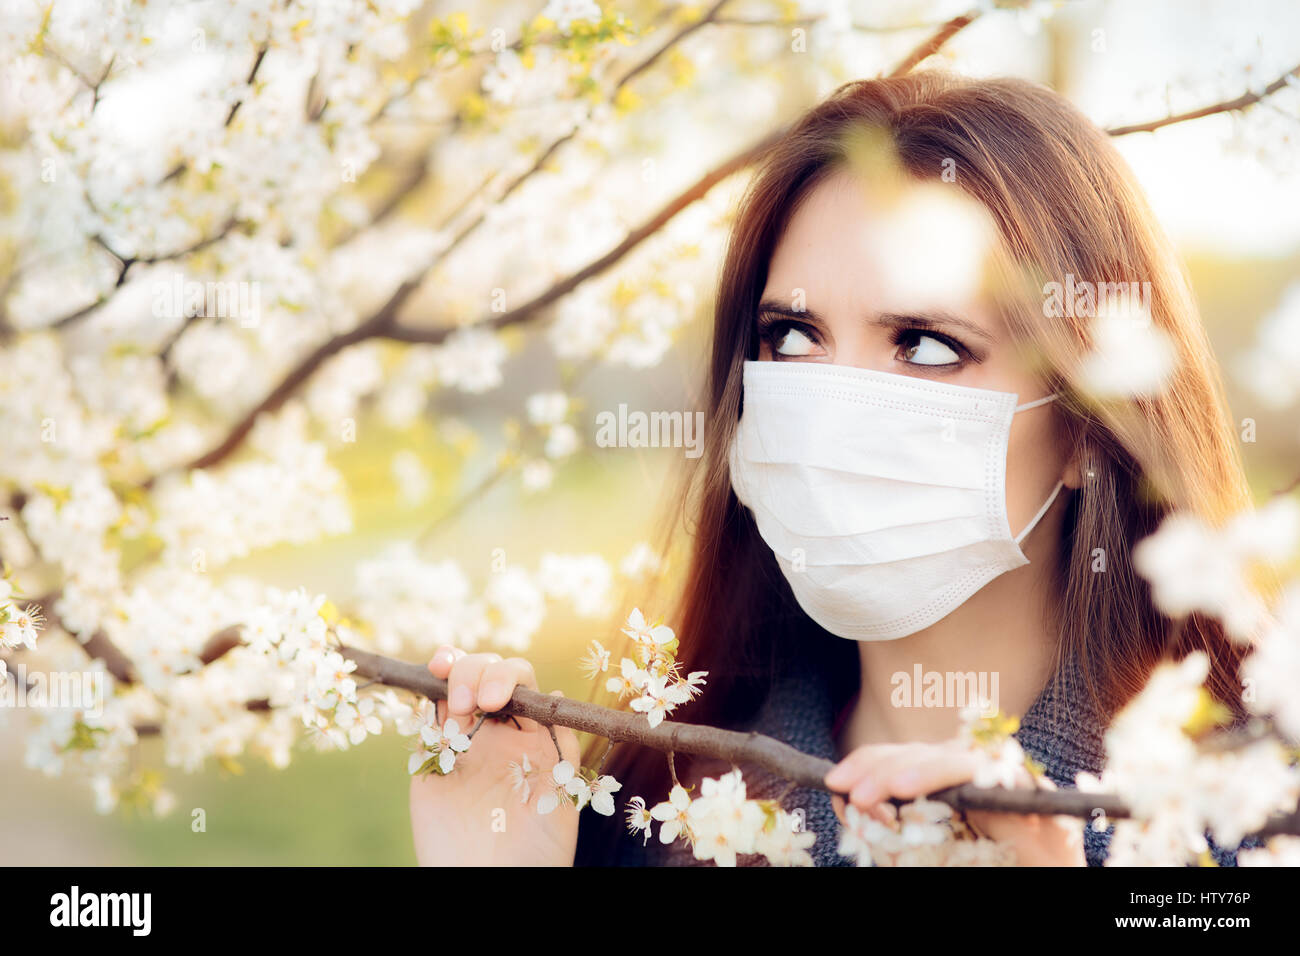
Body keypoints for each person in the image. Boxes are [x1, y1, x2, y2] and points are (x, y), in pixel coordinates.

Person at [410, 71, 1259, 867]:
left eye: (926, 346)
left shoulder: (1243, 813)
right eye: (792, 336)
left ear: (1085, 425)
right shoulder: (650, 808)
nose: (831, 406)